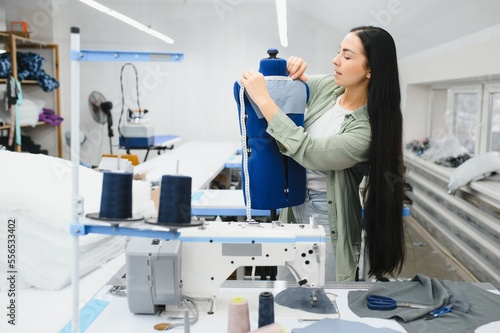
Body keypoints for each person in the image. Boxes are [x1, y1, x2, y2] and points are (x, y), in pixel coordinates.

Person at [240, 26, 406, 282]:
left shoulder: (366, 130)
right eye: (338, 51)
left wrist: (263, 99)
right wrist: (289, 69)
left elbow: (310, 152)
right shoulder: (330, 88)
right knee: (288, 290)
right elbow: (289, 88)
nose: (335, 60)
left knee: (323, 297)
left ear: (370, 70)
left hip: (328, 217)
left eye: (347, 56)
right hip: (293, 204)